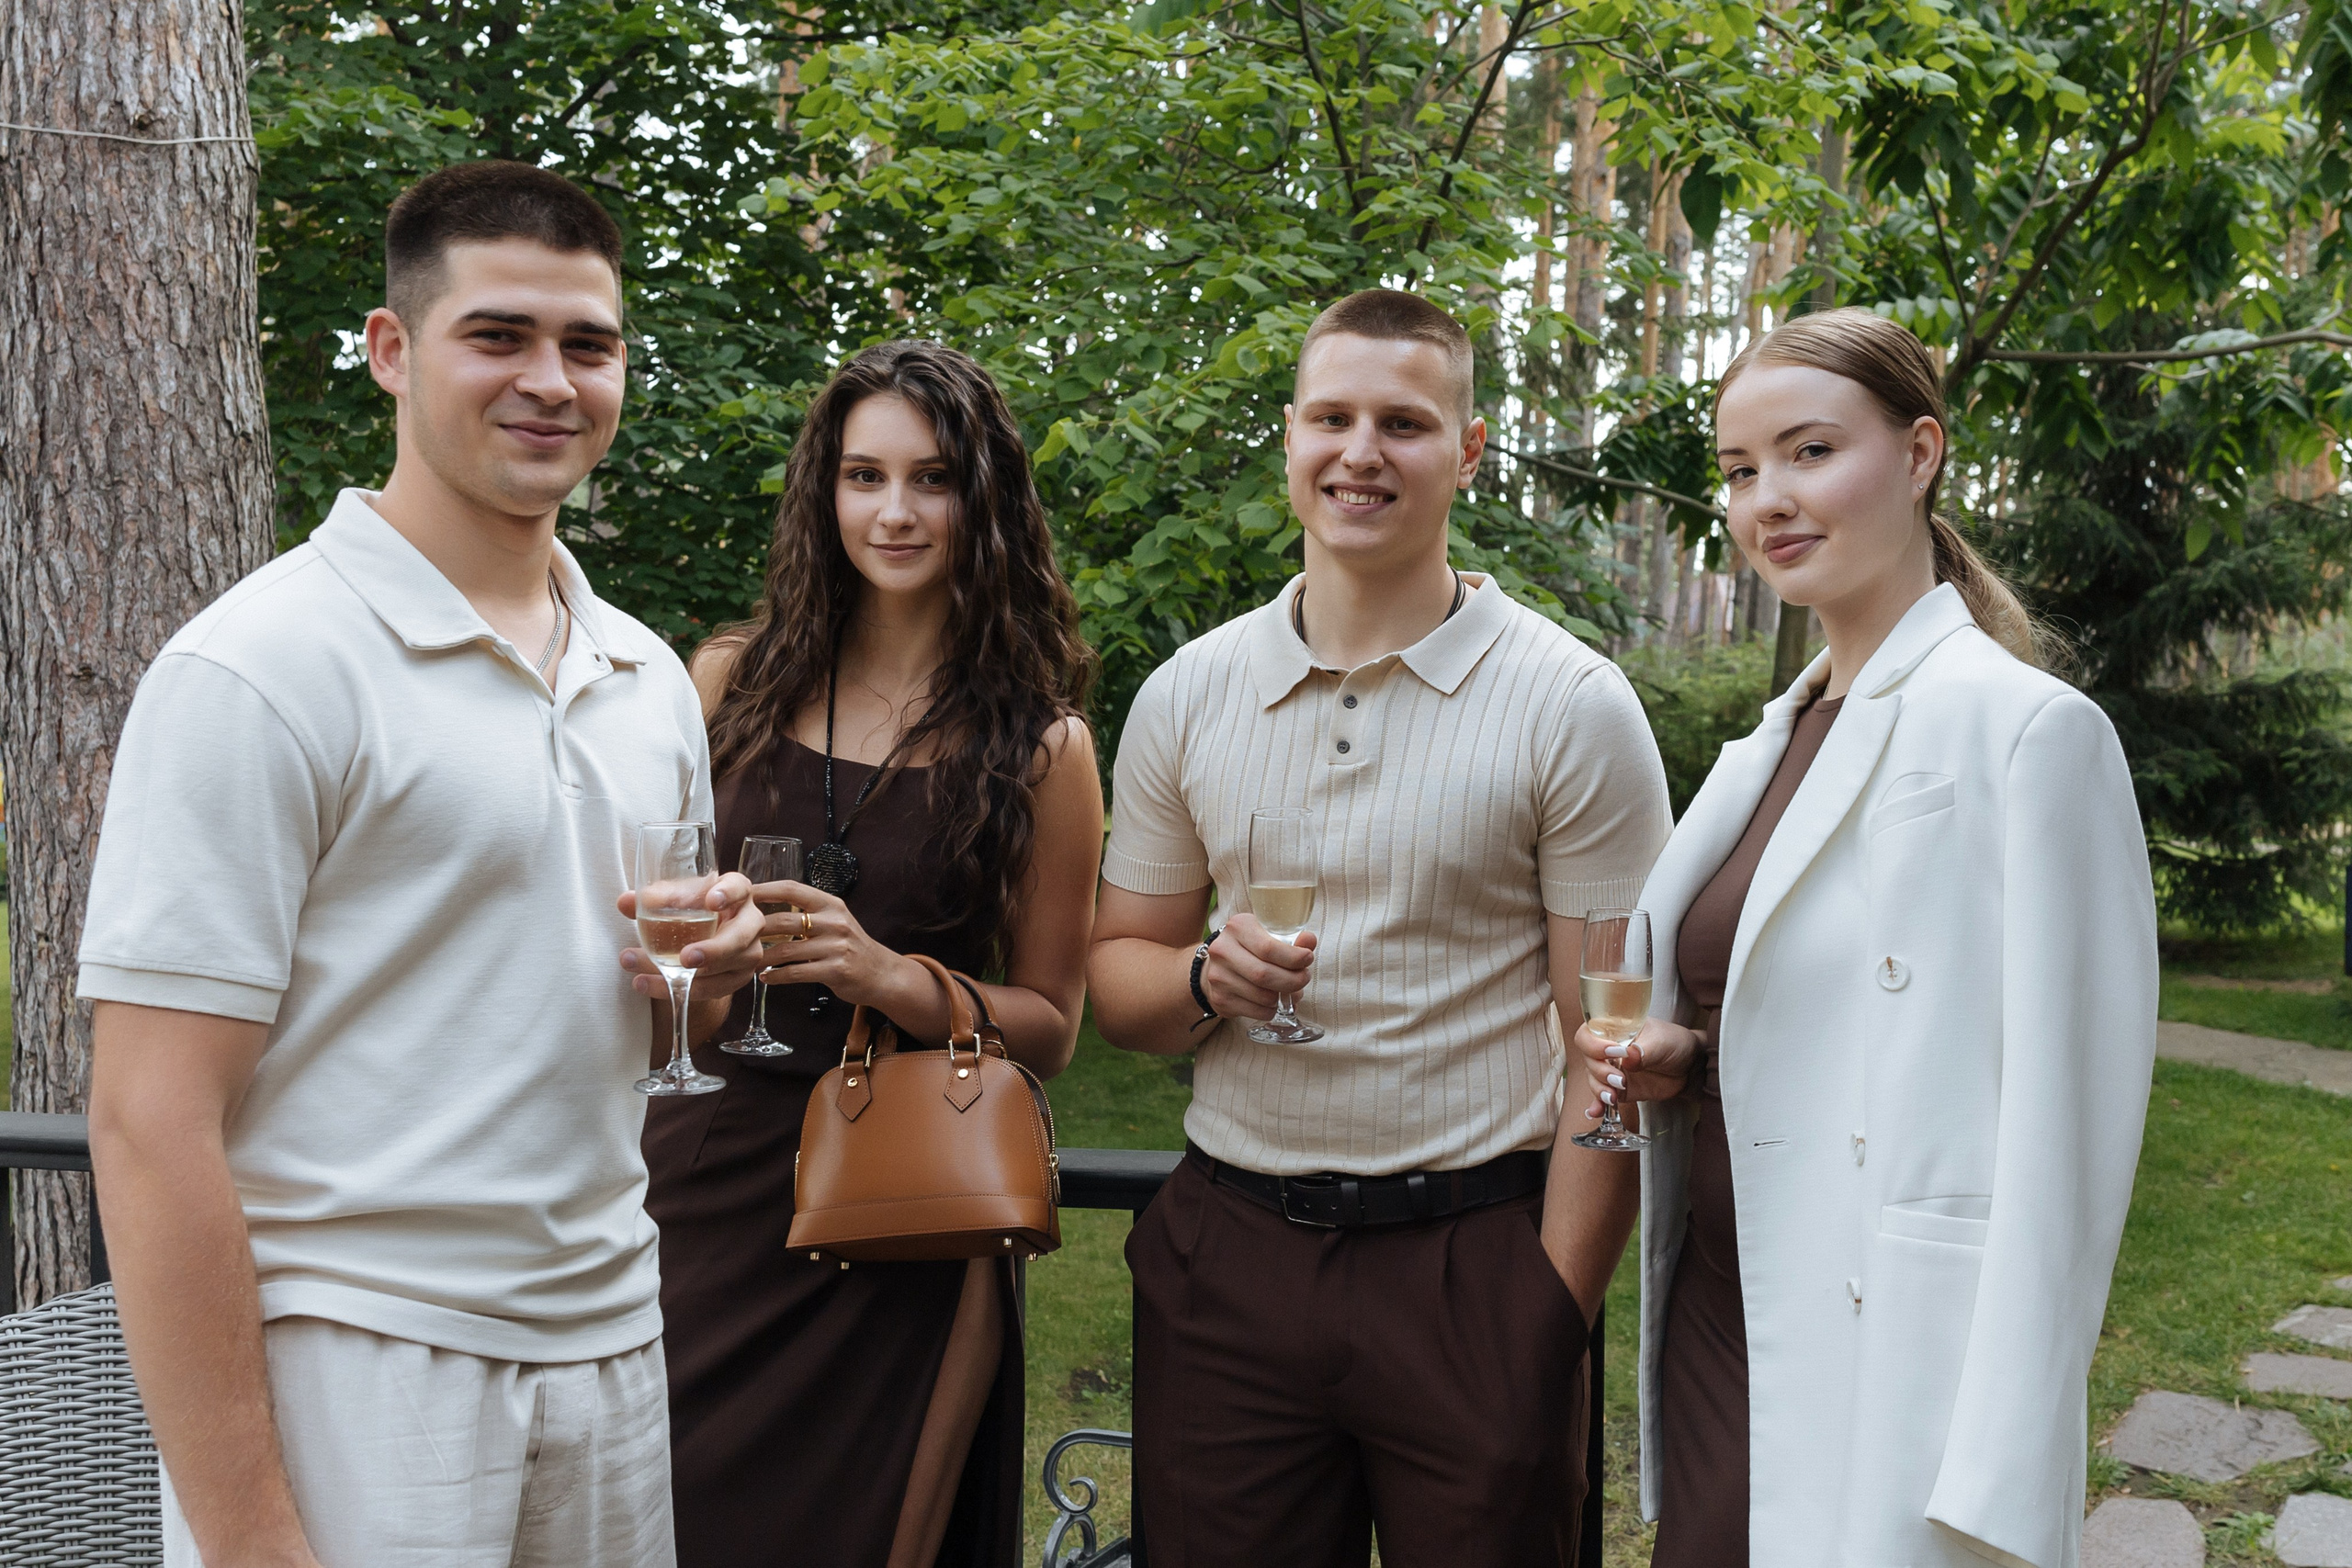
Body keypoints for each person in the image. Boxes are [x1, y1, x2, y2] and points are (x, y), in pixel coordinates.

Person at [80, 161, 771, 1568]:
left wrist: (700, 980)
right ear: (393, 352)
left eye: (591, 344)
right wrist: (251, 1542)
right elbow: (149, 1126)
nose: (553, 381)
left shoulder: (645, 675)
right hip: (359, 1359)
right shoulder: (261, 668)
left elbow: (627, 1038)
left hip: (613, 1342)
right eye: (500, 335)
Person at [1087, 288, 1673, 1566]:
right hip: (1228, 1261)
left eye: (1403, 423)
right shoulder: (1189, 694)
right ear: (1289, 438)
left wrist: (1550, 1317)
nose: (1361, 452)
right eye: (1333, 417)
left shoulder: (1572, 705)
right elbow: (1118, 990)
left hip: (1475, 1265)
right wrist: (1204, 977)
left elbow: (1613, 1048)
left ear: (1466, 453)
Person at [1574, 307, 2158, 1568]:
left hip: (1900, 1347)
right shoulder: (1761, 747)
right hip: (1725, 1307)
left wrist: (2004, 1457)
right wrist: (1685, 1058)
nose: (1767, 499)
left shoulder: (2027, 735)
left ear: (1920, 451)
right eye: (1739, 470)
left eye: (1809, 452)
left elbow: (2077, 1135)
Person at [639, 339, 1102, 1568]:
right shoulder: (727, 683)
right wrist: (694, 963)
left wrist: (888, 976)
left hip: (903, 1209)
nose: (894, 512)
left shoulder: (1043, 748)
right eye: (864, 477)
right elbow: (655, 938)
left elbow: (1056, 1022)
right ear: (823, 492)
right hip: (706, 1185)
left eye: (932, 479)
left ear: (984, 500)